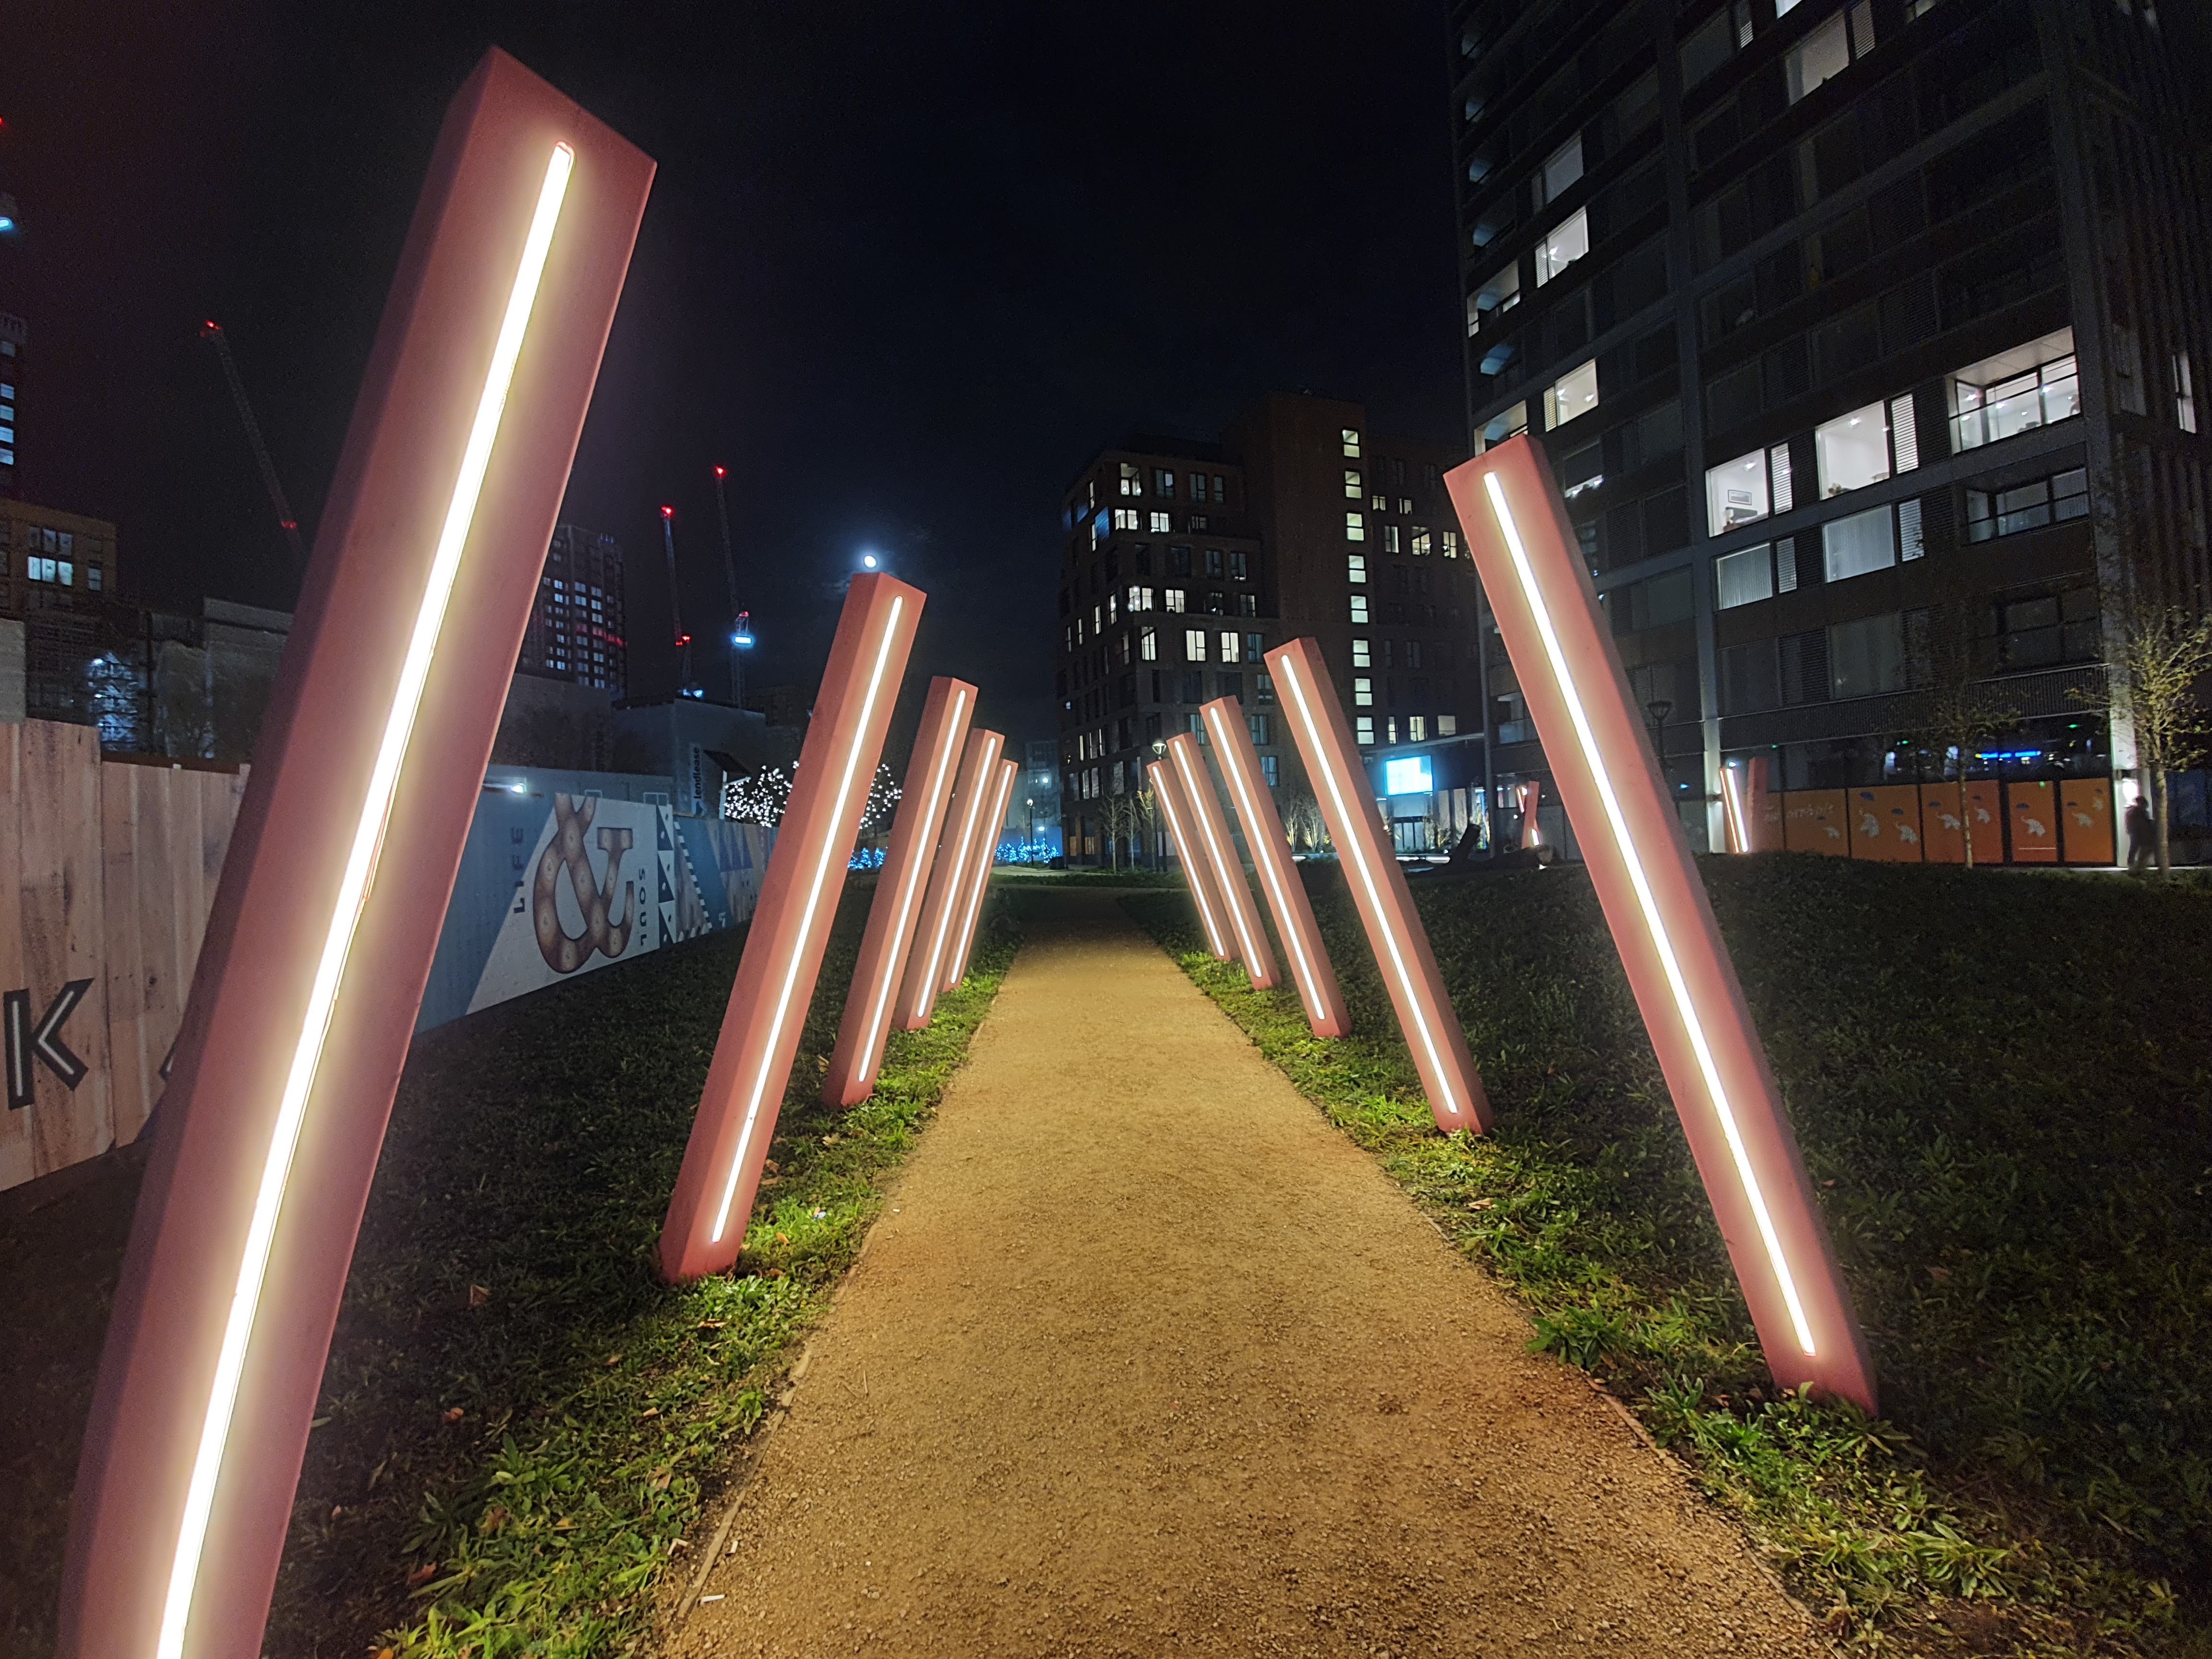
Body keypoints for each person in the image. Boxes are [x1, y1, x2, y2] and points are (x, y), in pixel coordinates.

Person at [2125, 792, 2156, 875]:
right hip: (2138, 833)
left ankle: (2137, 865)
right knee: (2137, 848)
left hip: (2139, 833)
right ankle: (2137, 866)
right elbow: (2142, 823)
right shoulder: (2136, 812)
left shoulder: (2134, 812)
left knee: (2137, 848)